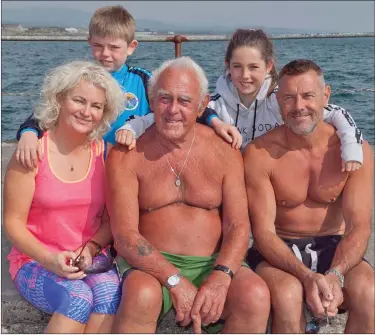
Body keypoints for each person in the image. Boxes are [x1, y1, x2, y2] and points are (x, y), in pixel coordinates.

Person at [106, 56, 271, 334]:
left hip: (212, 261)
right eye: (164, 99)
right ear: (151, 99)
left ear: (202, 105)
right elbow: (124, 237)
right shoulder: (126, 155)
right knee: (141, 296)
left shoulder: (224, 151)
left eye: (184, 100)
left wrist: (221, 275)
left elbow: (238, 225)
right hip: (150, 267)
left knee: (254, 295)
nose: (173, 110)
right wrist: (174, 281)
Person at [244, 59, 374, 333]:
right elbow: (264, 233)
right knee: (288, 295)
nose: (298, 106)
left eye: (308, 96)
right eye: (289, 98)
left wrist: (336, 274)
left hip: (334, 247)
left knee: (369, 292)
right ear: (278, 101)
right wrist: (306, 276)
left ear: (326, 95)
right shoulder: (259, 154)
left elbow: (358, 226)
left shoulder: (354, 151)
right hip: (279, 250)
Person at [115, 29, 363, 172]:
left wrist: (350, 147)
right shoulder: (216, 104)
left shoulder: (280, 100)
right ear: (227, 67)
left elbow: (334, 112)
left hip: (272, 178)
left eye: (253, 67)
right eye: (238, 67)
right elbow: (167, 115)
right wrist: (131, 127)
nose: (245, 76)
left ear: (268, 66)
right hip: (232, 178)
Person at [13, 5, 219, 168]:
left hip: (130, 164)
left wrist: (215, 120)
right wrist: (29, 133)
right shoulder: (78, 79)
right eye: (98, 46)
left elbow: (181, 104)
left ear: (131, 47)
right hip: (87, 164)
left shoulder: (143, 80)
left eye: (114, 47)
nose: (105, 54)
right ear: (89, 42)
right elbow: (46, 111)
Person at [4, 60, 125, 333]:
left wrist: (91, 248)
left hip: (89, 255)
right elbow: (12, 224)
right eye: (79, 101)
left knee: (109, 295)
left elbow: (110, 221)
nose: (86, 111)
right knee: (77, 298)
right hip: (35, 260)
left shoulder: (104, 154)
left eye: (96, 106)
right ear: (60, 99)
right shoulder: (32, 153)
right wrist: (50, 260)